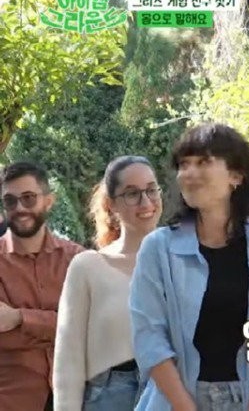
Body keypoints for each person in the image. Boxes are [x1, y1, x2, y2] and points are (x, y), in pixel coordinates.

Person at [129, 123, 249, 411]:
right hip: (174, 402)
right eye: (183, 164)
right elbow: (149, 337)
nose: (188, 173)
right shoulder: (158, 248)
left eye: (203, 162)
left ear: (236, 175)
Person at [53, 156, 162, 410]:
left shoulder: (184, 260)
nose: (146, 202)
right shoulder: (88, 267)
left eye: (151, 190)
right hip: (109, 398)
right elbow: (69, 360)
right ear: (112, 204)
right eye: (132, 194)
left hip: (170, 394)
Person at [0, 161, 85, 411]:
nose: (19, 208)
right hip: (13, 400)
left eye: (28, 198)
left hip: (76, 397)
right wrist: (60, 325)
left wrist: (19, 318)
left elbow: (89, 328)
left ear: (49, 201)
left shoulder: (77, 259)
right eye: (10, 201)